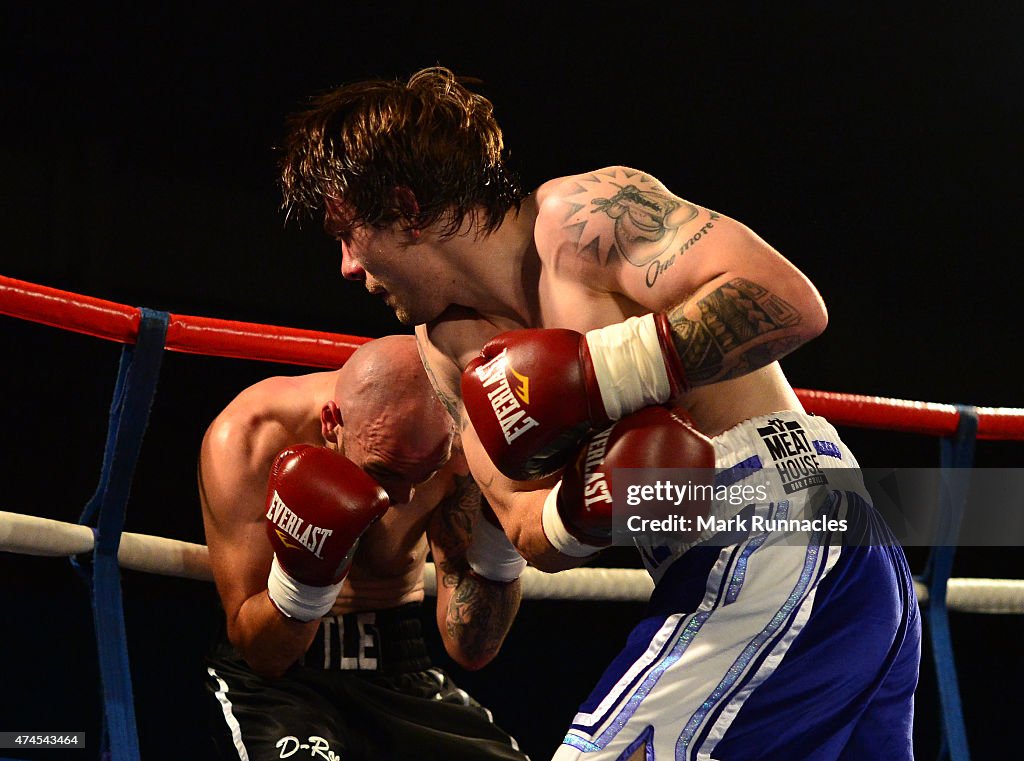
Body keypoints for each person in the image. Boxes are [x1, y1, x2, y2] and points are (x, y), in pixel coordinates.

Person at [279, 68, 921, 761]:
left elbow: (790, 300)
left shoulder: (582, 219)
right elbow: (527, 528)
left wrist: (596, 376)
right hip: (786, 562)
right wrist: (582, 507)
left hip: (782, 520)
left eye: (348, 233)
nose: (346, 266)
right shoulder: (447, 353)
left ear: (405, 206)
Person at [198, 335, 530, 761]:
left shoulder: (462, 448)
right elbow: (264, 657)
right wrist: (304, 575)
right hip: (279, 686)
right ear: (332, 422)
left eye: (422, 475)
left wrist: (501, 534)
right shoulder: (251, 435)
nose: (404, 498)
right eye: (384, 471)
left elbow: (470, 648)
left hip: (401, 666)